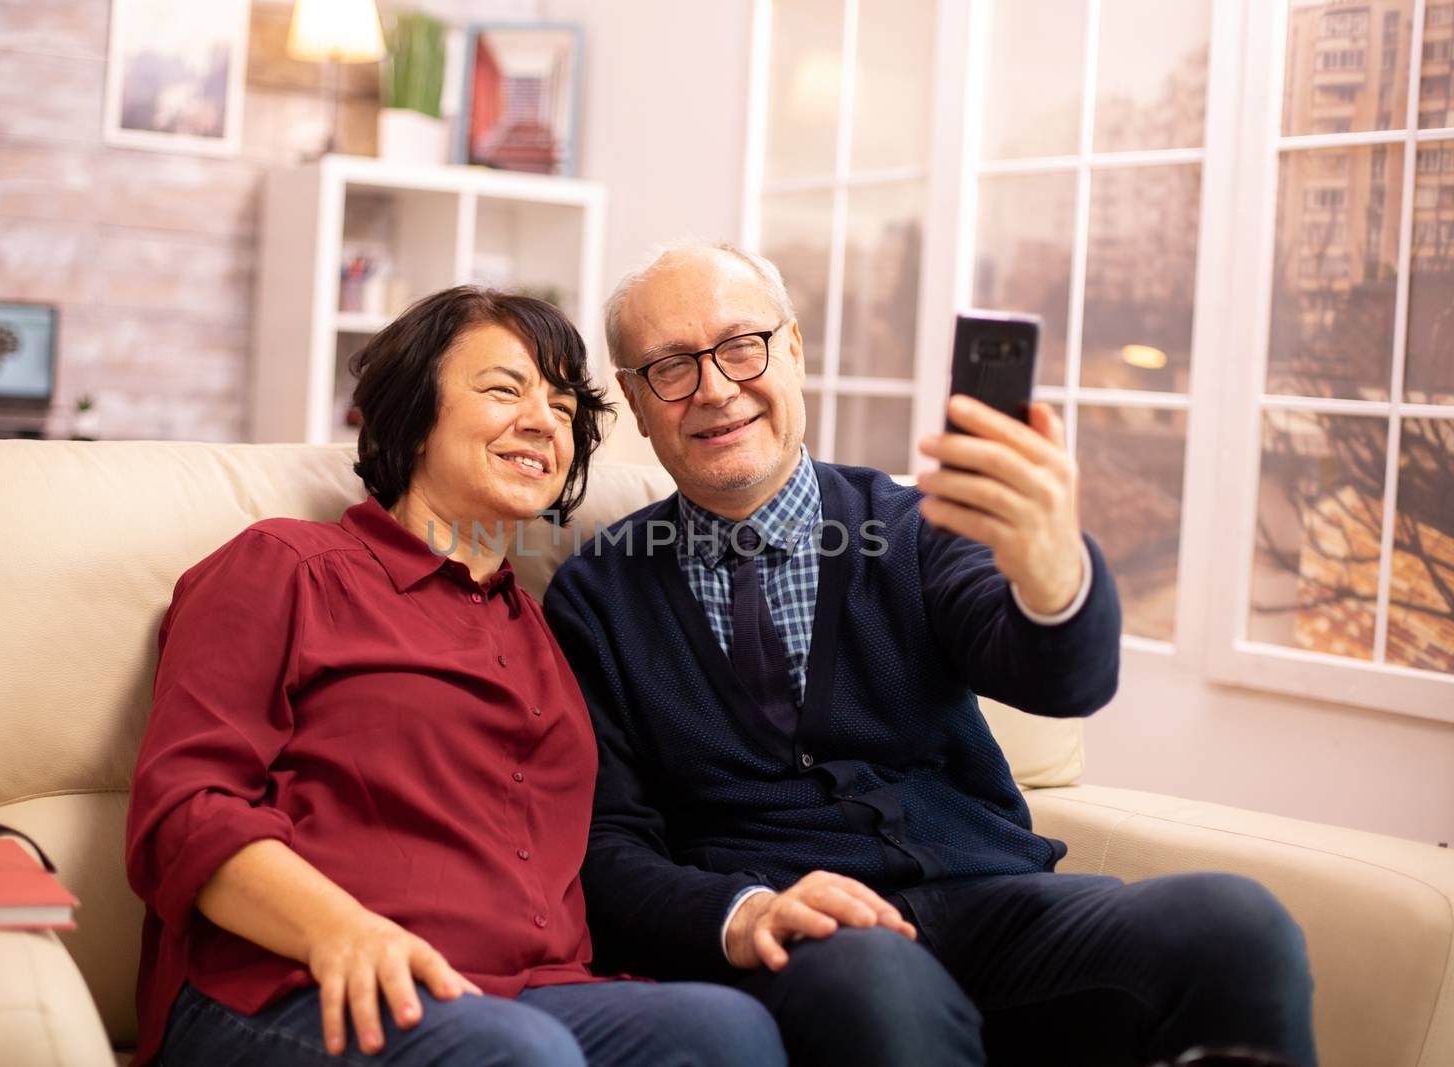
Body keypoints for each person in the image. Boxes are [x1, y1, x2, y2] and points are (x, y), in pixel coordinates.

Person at [543, 245, 1318, 1067]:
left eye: (742, 346)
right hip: (810, 940)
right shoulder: (597, 597)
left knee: (1236, 923)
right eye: (671, 367)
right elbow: (605, 843)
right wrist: (744, 910)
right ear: (634, 396)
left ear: (794, 348)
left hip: (995, 905)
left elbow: (1062, 677)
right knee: (877, 980)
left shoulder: (916, 527)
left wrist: (1055, 569)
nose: (716, 388)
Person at [125, 286, 787, 1067]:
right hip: (293, 982)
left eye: (564, 402)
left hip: (525, 991)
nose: (545, 419)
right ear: (412, 418)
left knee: (726, 1031)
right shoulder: (288, 567)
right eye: (505, 388)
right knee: (519, 1052)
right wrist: (344, 929)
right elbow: (187, 811)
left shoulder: (545, 626)